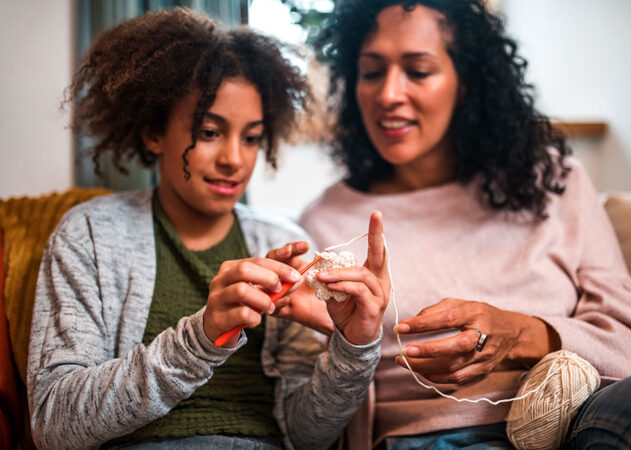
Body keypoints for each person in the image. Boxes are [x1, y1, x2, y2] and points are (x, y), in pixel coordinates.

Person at [297, 0, 631, 448]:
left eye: (418, 71)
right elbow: (309, 408)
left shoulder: (553, 181)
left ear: (467, 84)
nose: (388, 94)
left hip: (588, 420)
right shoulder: (325, 222)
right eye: (372, 71)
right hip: (430, 436)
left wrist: (522, 334)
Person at [27, 8, 388, 450]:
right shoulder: (92, 235)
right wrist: (200, 338)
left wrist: (354, 348)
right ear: (153, 132)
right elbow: (53, 424)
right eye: (210, 131)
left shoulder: (279, 242)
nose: (235, 159)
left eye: (252, 137)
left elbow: (306, 435)